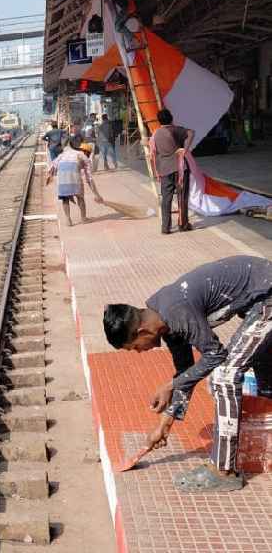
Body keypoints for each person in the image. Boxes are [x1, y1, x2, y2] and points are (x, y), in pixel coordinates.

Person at [103, 256, 272, 492]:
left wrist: (170, 385)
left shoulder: (175, 311)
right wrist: (165, 423)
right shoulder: (164, 320)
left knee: (224, 376)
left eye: (135, 348)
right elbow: (186, 371)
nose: (139, 353)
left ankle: (223, 471)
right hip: (260, 297)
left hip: (267, 296)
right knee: (257, 360)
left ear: (142, 332)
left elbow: (215, 355)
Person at [149, 108, 194, 234]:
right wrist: (185, 149)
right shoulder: (176, 129)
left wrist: (156, 171)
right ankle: (183, 224)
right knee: (182, 197)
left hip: (164, 169)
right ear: (171, 118)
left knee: (166, 199)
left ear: (159, 121)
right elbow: (191, 133)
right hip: (180, 168)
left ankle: (166, 227)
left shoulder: (155, 134)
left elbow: (153, 154)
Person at [45, 135, 104, 226]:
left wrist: (49, 178)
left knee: (65, 199)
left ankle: (68, 220)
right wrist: (97, 195)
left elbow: (51, 169)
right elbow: (89, 178)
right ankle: (83, 218)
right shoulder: (81, 155)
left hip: (62, 180)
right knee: (80, 197)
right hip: (75, 180)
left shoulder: (61, 156)